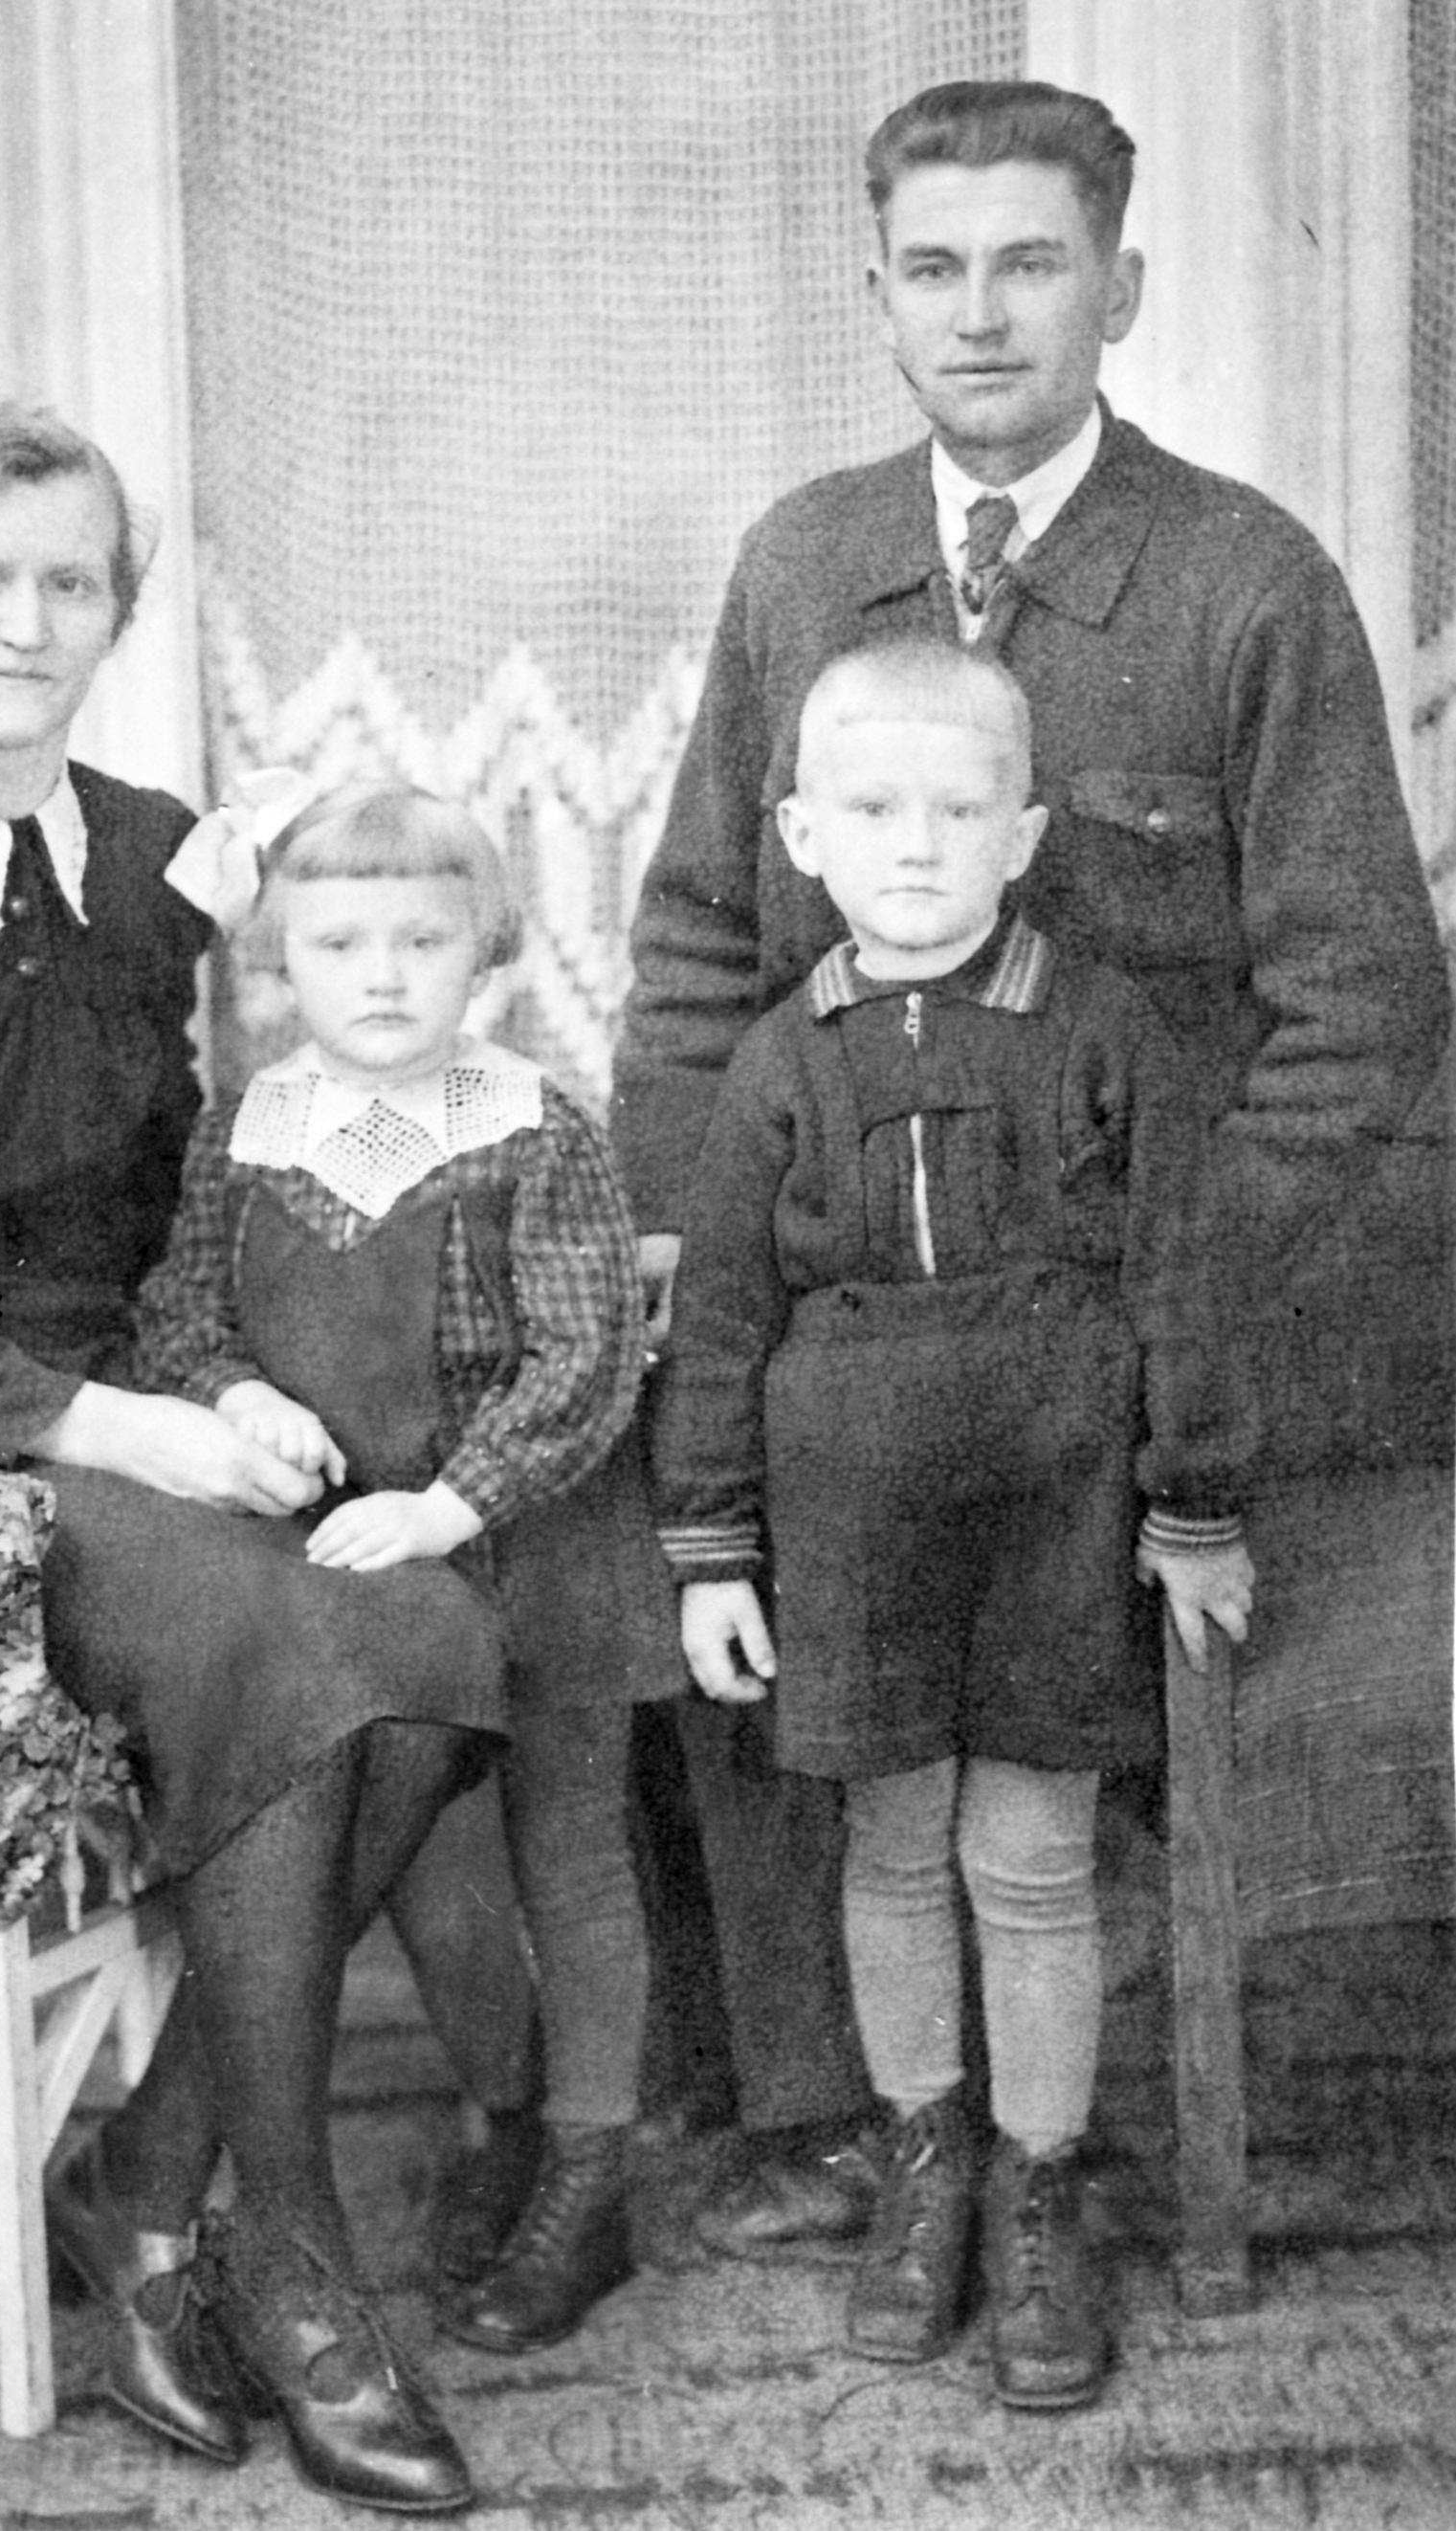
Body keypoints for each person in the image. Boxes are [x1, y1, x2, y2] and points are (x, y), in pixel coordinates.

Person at [612, 77, 1449, 2253]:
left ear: (1119, 288)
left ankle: (1047, 2141)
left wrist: (1178, 1287)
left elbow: (1360, 1006)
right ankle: (824, 2110)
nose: (978, 315)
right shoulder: (805, 564)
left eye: (1028, 264)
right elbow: (700, 944)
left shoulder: (1241, 584)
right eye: (933, 269)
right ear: (876, 296)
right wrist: (691, 1247)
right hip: (844, 1314)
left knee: (1025, 1700)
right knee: (663, 1489)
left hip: (1146, 1329)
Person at [0, 400, 523, 2516]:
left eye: (68, 581)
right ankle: (302, 2268)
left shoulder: (157, 856)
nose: (23, 622)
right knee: (292, 1653)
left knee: (437, 1632)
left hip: (146, 1403)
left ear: (115, 615)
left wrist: (223, 1377)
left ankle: (153, 2187)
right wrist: (97, 1420)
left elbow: (187, 1204)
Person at [654, 635, 1257, 2409]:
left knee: (1035, 1857)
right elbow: (723, 1322)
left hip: (1055, 1515)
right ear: (800, 835)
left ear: (1024, 832)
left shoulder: (1102, 1028)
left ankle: (1038, 2185)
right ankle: (926, 2160)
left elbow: (1182, 1279)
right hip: (851, 1533)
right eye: (869, 810)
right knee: (892, 1848)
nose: (913, 845)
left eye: (956, 807)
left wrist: (1192, 1504)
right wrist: (712, 1550)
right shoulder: (779, 1061)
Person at [134, 778, 679, 2359]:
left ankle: (590, 2170)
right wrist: (236, 1392)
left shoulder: (533, 1127)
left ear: (486, 954)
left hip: (533, 1539)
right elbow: (184, 1313)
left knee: (568, 1854)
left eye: (422, 941)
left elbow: (582, 1354)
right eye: (339, 942)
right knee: (435, 1874)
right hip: (359, 1573)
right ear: (279, 961)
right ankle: (504, 2112)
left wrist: (453, 1503)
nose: (380, 974)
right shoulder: (246, 1131)